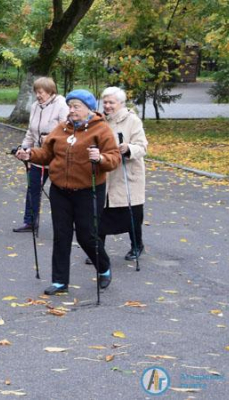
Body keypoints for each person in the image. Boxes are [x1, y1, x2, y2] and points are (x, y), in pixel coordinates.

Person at [16, 89, 120, 295]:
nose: (71, 111)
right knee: (61, 234)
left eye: (76, 107)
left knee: (87, 235)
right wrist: (29, 155)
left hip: (88, 189)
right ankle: (60, 281)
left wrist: (100, 158)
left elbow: (114, 159)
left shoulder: (101, 130)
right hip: (60, 191)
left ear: (89, 109)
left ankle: (104, 267)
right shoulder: (62, 129)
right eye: (70, 106)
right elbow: (46, 154)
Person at [97, 86, 148, 260]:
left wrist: (127, 148)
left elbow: (142, 147)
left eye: (111, 102)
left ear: (121, 103)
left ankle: (137, 245)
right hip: (104, 172)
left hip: (126, 174)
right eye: (105, 102)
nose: (108, 105)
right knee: (100, 212)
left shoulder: (132, 120)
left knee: (131, 212)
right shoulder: (99, 120)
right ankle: (98, 249)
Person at [13, 77, 69, 233]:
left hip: (58, 157)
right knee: (33, 188)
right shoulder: (35, 107)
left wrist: (51, 137)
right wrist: (24, 148)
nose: (38, 95)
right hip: (39, 155)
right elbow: (31, 132)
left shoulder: (61, 105)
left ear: (50, 91)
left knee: (62, 192)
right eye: (36, 92)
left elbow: (68, 130)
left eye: (40, 92)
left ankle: (69, 222)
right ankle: (30, 221)